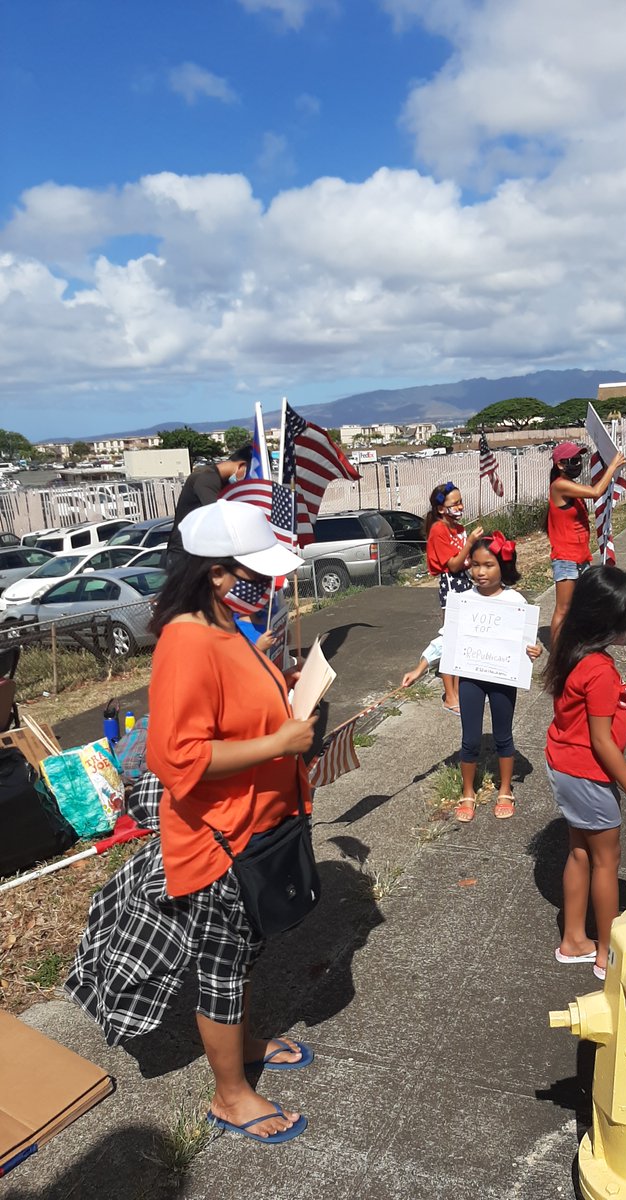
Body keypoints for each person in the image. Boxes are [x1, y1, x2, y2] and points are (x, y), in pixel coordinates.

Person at [65, 499, 318, 1145]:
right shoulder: (185, 638)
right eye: (250, 570)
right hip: (220, 840)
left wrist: (274, 677)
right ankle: (230, 1095)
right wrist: (278, 744)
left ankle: (245, 1046)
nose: (261, 582)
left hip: (255, 825)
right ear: (215, 573)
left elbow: (231, 706)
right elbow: (177, 758)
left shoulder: (229, 625)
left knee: (244, 950)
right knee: (223, 967)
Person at [543, 564, 626, 982]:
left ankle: (574, 938)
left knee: (580, 853)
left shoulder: (572, 650)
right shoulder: (600, 672)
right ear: (606, 623)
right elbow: (603, 741)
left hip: (566, 768)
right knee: (607, 863)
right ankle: (606, 954)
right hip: (588, 775)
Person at [403, 531, 542, 822]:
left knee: (504, 735)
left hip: (503, 678)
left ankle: (506, 788)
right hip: (471, 679)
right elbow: (444, 639)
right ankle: (468, 792)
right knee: (469, 739)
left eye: (488, 565)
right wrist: (420, 667)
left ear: (503, 565)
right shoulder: (462, 600)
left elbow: (527, 642)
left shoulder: (516, 600)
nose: (480, 572)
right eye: (475, 564)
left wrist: (534, 649)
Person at [546, 442, 626, 644]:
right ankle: (557, 653)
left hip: (580, 557)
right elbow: (595, 491)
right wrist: (612, 466)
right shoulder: (560, 485)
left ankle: (576, 643)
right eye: (573, 460)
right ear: (560, 465)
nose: (577, 463)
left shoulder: (570, 486)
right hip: (566, 558)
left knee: (579, 605)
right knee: (563, 609)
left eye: (578, 459)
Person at [424, 482, 483, 714]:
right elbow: (454, 564)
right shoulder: (439, 530)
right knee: (452, 643)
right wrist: (469, 544)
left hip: (466, 584)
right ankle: (450, 695)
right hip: (452, 586)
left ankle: (462, 690)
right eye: (454, 503)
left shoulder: (459, 528)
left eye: (460, 501)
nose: (460, 506)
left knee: (464, 642)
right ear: (441, 508)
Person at [166, 444, 254, 570]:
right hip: (183, 556)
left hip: (201, 555)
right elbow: (220, 518)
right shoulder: (205, 478)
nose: (246, 482)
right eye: (248, 476)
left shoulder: (223, 483)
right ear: (241, 465)